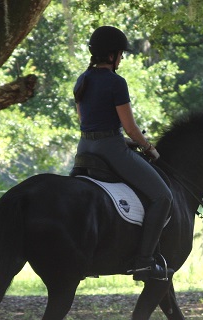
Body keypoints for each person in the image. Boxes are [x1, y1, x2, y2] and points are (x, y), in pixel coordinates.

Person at [73, 26, 173, 282]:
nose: (122, 58)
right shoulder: (116, 83)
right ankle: (144, 262)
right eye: (120, 54)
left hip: (85, 148)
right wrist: (148, 148)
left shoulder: (82, 80)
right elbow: (129, 127)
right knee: (163, 197)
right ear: (111, 55)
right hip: (111, 149)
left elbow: (85, 120)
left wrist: (124, 140)